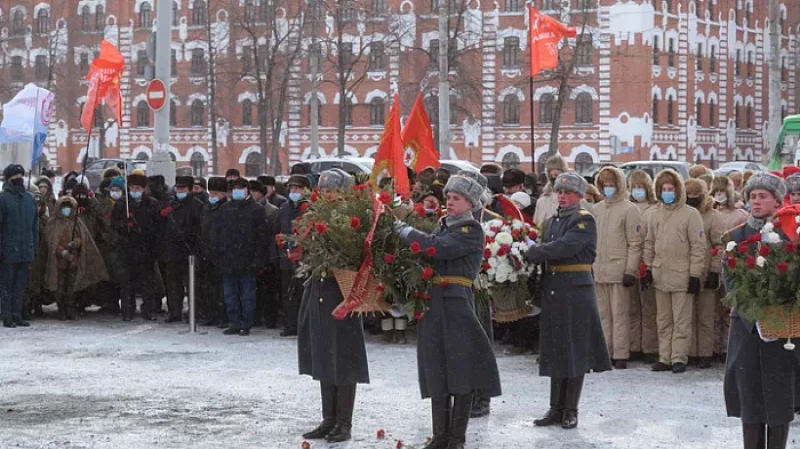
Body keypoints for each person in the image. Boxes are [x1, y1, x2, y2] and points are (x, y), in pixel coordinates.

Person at [395, 173, 502, 449]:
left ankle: (456, 438)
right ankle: (440, 436)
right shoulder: (444, 226)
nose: (450, 202)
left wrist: (404, 231)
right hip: (435, 302)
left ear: (470, 203)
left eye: (456, 198)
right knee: (438, 370)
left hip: (456, 303)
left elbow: (437, 248)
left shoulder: (470, 229)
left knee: (460, 371)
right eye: (449, 198)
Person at [526, 172, 611, 430]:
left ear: (579, 195)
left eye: (568, 192)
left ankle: (570, 409)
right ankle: (555, 407)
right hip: (555, 289)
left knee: (574, 351)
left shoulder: (584, 220)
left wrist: (533, 252)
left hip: (575, 290)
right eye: (559, 192)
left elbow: (565, 247)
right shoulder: (552, 221)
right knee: (556, 349)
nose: (562, 196)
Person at [297, 169, 370, 444]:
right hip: (318, 289)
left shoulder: (354, 218)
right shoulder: (315, 216)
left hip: (342, 292)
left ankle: (344, 422)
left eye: (332, 190)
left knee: (344, 358)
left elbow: (359, 254)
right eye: (323, 190)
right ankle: (328, 419)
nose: (327, 195)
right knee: (323, 357)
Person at [723, 172, 795, 449]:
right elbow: (731, 284)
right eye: (752, 196)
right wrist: (755, 317)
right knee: (750, 398)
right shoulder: (735, 236)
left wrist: (778, 314)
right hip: (747, 330)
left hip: (782, 333)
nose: (756, 201)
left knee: (779, 400)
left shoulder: (790, 235)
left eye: (763, 196)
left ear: (777, 201)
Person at [641, 169, 706, 374]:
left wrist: (695, 274)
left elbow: (698, 246)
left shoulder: (690, 214)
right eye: (664, 189)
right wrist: (648, 268)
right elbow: (649, 242)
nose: (667, 192)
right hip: (661, 274)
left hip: (682, 276)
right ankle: (665, 357)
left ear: (678, 191)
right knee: (663, 319)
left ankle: (679, 357)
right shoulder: (654, 214)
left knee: (681, 320)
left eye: (671, 189)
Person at [591, 167, 642, 370]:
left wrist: (631, 270)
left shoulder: (629, 209)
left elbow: (635, 243)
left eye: (611, 185)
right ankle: (605, 350)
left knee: (620, 314)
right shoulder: (596, 210)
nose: (608, 188)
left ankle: (620, 353)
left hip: (619, 270)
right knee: (603, 314)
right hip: (599, 269)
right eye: (605, 185)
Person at [215, 178, 269, 336]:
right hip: (228, 259)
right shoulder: (225, 209)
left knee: (247, 295)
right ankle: (234, 321)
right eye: (234, 188)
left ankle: (246, 323)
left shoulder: (256, 210)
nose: (237, 191)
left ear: (247, 190)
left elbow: (262, 237)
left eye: (240, 188)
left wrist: (257, 259)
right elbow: (218, 234)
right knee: (230, 294)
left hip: (248, 260)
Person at [43, 196, 107, 320]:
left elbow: (82, 238)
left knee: (71, 287)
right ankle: (61, 309)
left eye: (69, 207)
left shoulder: (77, 222)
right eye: (64, 207)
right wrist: (62, 252)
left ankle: (70, 308)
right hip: (59, 262)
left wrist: (76, 243)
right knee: (59, 286)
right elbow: (51, 241)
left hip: (73, 261)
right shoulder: (53, 223)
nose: (66, 209)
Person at [111, 169, 162, 321]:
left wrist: (147, 233)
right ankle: (127, 310)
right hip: (126, 249)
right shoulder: (122, 204)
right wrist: (124, 225)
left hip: (145, 249)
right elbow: (113, 224)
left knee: (148, 283)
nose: (135, 191)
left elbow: (157, 225)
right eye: (132, 188)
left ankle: (148, 310)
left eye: (138, 189)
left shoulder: (151, 204)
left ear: (143, 189)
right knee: (127, 283)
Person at [684, 179, 724, 369]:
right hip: (686, 271)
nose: (692, 199)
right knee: (688, 316)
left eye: (695, 196)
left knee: (706, 316)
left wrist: (715, 270)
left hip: (706, 270)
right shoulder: (682, 214)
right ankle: (691, 352)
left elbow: (718, 244)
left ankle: (705, 353)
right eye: (688, 196)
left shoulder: (712, 216)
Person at [711, 175, 749, 362]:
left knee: (729, 311)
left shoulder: (740, 215)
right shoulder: (711, 212)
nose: (719, 196)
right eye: (716, 192)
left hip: (732, 266)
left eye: (722, 192)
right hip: (713, 266)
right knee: (713, 311)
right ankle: (714, 346)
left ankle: (726, 347)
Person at [160, 176, 204, 323]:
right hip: (172, 251)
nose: (180, 191)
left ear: (190, 190)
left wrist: (190, 239)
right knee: (173, 284)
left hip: (189, 251)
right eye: (178, 188)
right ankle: (174, 311)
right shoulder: (171, 205)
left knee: (191, 284)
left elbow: (199, 229)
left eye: (183, 189)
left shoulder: (197, 205)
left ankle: (194, 311)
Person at [0, 164, 39, 328]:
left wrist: (33, 245)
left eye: (21, 175)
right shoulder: (2, 198)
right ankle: (6, 314)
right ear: (8, 178)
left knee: (20, 285)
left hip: (25, 250)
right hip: (8, 250)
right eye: (15, 175)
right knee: (6, 285)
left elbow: (34, 225)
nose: (19, 178)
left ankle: (17, 314)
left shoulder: (29, 198)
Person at [628, 169, 659, 363]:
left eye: (641, 187)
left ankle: (649, 346)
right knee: (632, 308)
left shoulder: (654, 209)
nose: (638, 190)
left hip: (648, 262)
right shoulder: (628, 207)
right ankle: (633, 345)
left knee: (649, 308)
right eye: (634, 187)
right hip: (630, 262)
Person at [277, 174, 311, 337]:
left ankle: (305, 324)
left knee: (303, 292)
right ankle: (291, 324)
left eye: (297, 188)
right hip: (286, 257)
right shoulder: (284, 209)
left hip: (305, 259)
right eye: (292, 188)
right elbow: (278, 232)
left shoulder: (311, 208)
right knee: (288, 293)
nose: (294, 191)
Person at [198, 177, 228, 327]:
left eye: (216, 193)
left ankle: (223, 316)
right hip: (207, 253)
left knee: (221, 288)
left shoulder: (227, 209)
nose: (213, 196)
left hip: (221, 254)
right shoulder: (206, 207)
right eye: (211, 193)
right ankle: (210, 314)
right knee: (208, 287)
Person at [533, 154, 569, 224]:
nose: (553, 178)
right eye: (551, 176)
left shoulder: (573, 198)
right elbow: (536, 225)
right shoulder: (542, 200)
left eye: (556, 175)